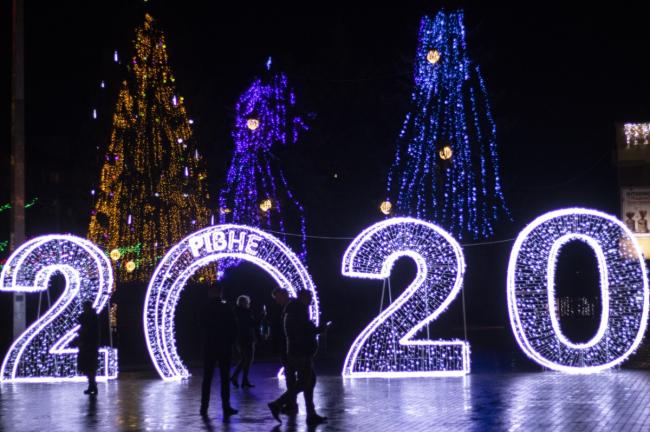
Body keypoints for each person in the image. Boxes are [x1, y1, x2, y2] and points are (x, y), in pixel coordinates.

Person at [268, 289, 329, 426]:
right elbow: (303, 330)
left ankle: (310, 414)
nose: (311, 300)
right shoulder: (298, 309)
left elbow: (299, 329)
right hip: (301, 352)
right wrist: (319, 329)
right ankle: (277, 404)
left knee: (309, 382)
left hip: (296, 351)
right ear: (303, 297)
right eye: (309, 297)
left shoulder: (292, 309)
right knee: (304, 382)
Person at [200, 284, 238, 419]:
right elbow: (234, 327)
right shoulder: (226, 308)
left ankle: (204, 408)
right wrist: (231, 343)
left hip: (209, 346)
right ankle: (226, 407)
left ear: (210, 293)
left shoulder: (205, 308)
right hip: (224, 347)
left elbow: (200, 327)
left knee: (207, 378)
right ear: (221, 293)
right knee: (225, 378)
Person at [271, 287, 298, 415]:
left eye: (277, 298)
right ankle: (291, 404)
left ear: (283, 295)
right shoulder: (287, 307)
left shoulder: (291, 308)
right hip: (287, 347)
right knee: (292, 377)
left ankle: (284, 403)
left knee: (298, 379)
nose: (277, 301)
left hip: (291, 347)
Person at [230, 295, 256, 388]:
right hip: (246, 338)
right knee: (247, 359)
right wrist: (261, 316)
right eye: (247, 302)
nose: (248, 304)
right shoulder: (246, 312)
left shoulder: (236, 312)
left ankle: (240, 378)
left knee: (245, 359)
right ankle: (239, 378)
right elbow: (251, 324)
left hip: (241, 338)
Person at [78, 301, 99, 396]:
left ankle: (92, 385)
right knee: (89, 367)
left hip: (88, 345)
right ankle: (92, 385)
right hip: (89, 345)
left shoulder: (90, 318)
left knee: (89, 366)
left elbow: (89, 332)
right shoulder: (92, 317)